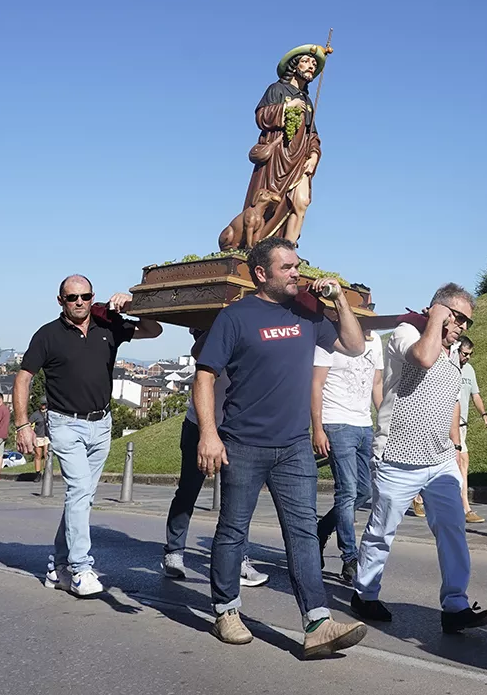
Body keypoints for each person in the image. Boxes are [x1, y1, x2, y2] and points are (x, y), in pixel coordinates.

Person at [194, 236, 368, 658]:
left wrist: (340, 302)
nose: (297, 273)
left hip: (293, 447)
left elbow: (356, 345)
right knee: (235, 530)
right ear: (261, 274)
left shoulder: (307, 314)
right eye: (287, 267)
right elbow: (204, 377)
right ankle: (226, 609)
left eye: (298, 265)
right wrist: (208, 434)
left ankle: (317, 623)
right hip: (243, 443)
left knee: (304, 533)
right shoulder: (235, 317)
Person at [349, 284, 487, 634]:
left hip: (439, 458)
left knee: (453, 529)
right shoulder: (406, 333)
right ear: (437, 310)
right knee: (382, 531)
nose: (462, 327)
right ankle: (365, 593)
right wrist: (437, 319)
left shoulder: (454, 349)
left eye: (467, 322)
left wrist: (455, 446)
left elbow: (451, 396)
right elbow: (423, 358)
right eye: (457, 317)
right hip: (397, 456)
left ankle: (455, 605)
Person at [13, 275, 162, 597]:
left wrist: (136, 306)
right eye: (72, 297)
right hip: (66, 424)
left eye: (85, 296)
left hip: (102, 423)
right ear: (60, 301)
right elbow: (23, 379)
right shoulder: (47, 335)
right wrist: (23, 425)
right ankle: (81, 568)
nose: (79, 302)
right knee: (79, 492)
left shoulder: (107, 325)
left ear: (92, 297)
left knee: (81, 499)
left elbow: (154, 330)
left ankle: (57, 566)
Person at [161, 331, 278, 589]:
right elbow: (197, 351)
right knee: (188, 491)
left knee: (239, 498)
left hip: (237, 430)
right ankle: (174, 551)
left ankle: (238, 559)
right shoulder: (219, 333)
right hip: (200, 425)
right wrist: (222, 320)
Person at [219, 44, 331, 250]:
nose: (311, 67)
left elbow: (312, 133)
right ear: (294, 65)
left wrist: (314, 155)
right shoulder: (277, 89)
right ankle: (257, 246)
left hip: (299, 159)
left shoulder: (308, 101)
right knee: (268, 205)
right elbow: (261, 117)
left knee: (301, 202)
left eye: (314, 64)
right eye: (306, 61)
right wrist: (286, 107)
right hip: (277, 158)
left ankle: (288, 248)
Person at [314, 326, 384, 584]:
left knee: (364, 491)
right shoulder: (328, 338)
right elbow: (317, 384)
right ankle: (349, 559)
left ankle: (320, 530)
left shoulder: (375, 340)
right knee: (347, 491)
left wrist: (383, 422)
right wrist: (318, 428)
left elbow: (376, 383)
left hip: (364, 424)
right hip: (337, 422)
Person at [454, 336, 487, 522]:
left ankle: (419, 496)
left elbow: (475, 395)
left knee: (458, 464)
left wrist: (483, 414)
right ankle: (465, 508)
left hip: (462, 425)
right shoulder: (446, 366)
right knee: (461, 462)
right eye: (464, 354)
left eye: (470, 354)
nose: (467, 357)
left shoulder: (469, 370)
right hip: (447, 425)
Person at [31, 401, 50, 468]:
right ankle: (37, 473)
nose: (43, 406)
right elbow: (29, 423)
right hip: (38, 436)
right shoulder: (36, 414)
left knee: (46, 454)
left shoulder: (49, 413)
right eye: (42, 404)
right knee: (38, 455)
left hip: (47, 436)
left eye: (44, 404)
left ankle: (46, 471)